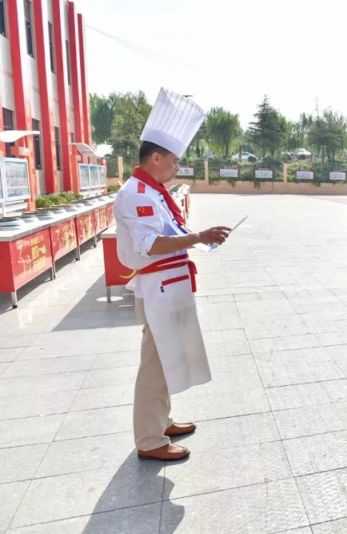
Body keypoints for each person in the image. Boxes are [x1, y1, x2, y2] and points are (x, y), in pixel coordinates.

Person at [114, 88, 230, 461]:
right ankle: (149, 439)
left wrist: (197, 241)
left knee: (164, 356)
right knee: (154, 361)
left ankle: (159, 420)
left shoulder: (154, 190)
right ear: (156, 157)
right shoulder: (137, 194)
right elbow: (151, 243)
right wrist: (198, 237)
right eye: (174, 160)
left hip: (171, 284)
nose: (176, 167)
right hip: (158, 285)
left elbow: (171, 236)